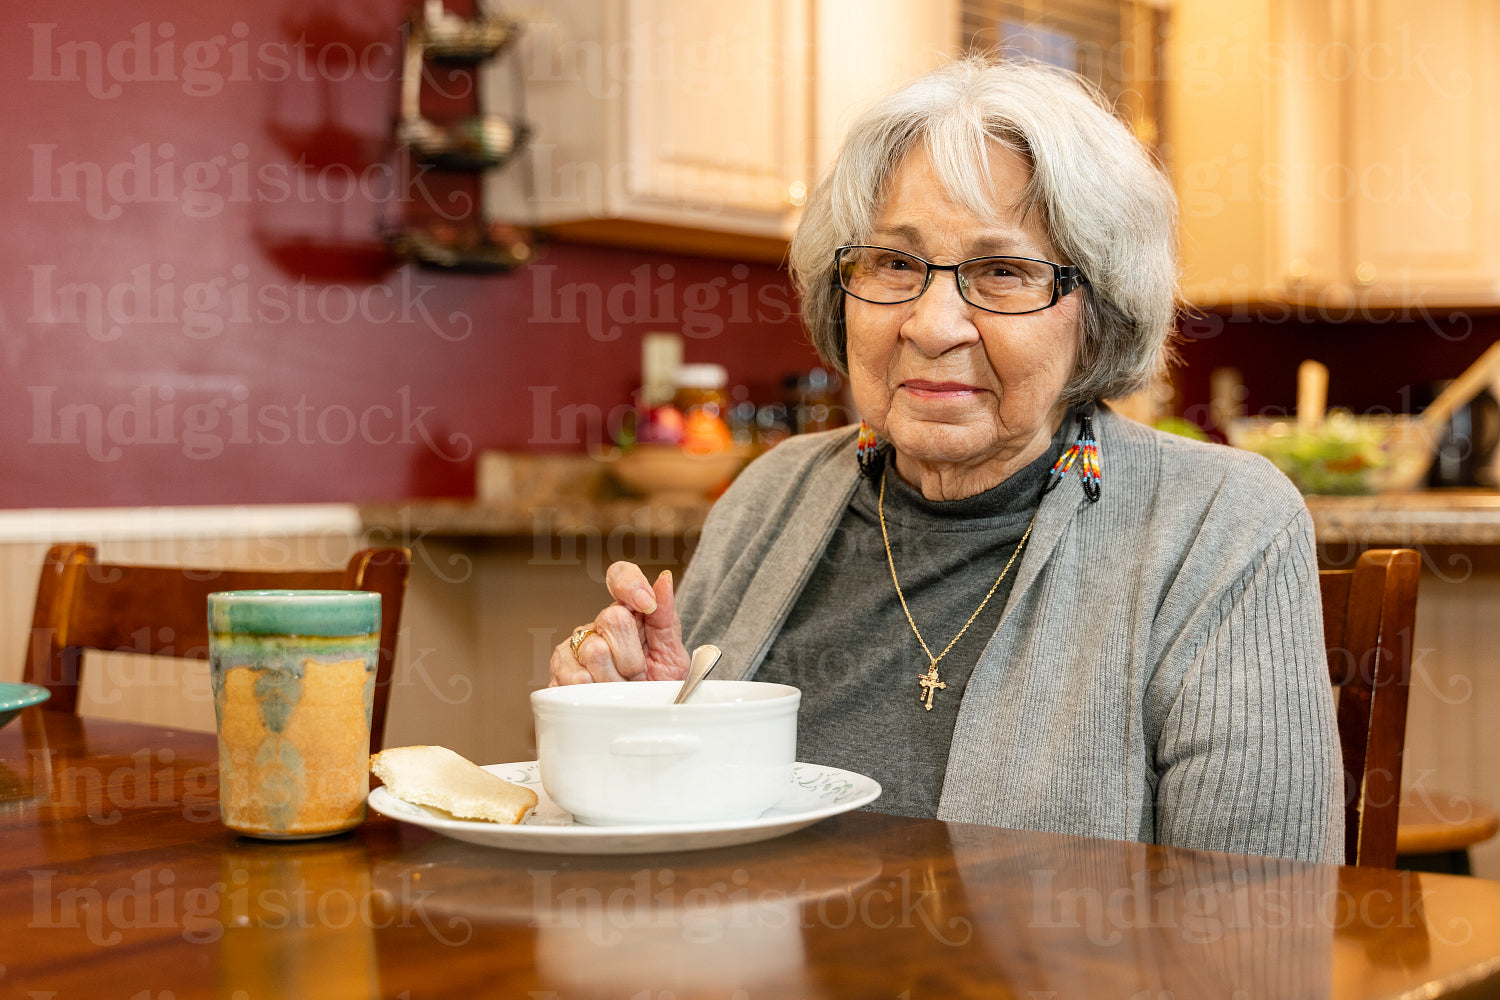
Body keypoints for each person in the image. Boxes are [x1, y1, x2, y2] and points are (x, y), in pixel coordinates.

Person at [550, 55, 1343, 863]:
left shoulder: (1219, 524)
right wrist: (643, 734)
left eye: (1003, 273)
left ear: (1097, 313)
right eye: (894, 264)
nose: (932, 326)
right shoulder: (773, 493)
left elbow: (1261, 924)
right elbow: (685, 868)